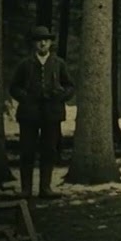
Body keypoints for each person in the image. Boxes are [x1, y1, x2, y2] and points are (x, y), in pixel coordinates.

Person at [7, 25, 76, 199]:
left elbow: (70, 86)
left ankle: (45, 188)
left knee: (49, 150)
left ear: (51, 43)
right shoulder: (25, 64)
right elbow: (14, 87)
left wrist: (61, 96)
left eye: (46, 40)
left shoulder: (59, 63)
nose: (43, 43)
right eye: (39, 40)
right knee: (27, 151)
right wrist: (25, 97)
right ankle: (26, 189)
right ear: (34, 44)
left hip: (52, 114)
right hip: (29, 114)